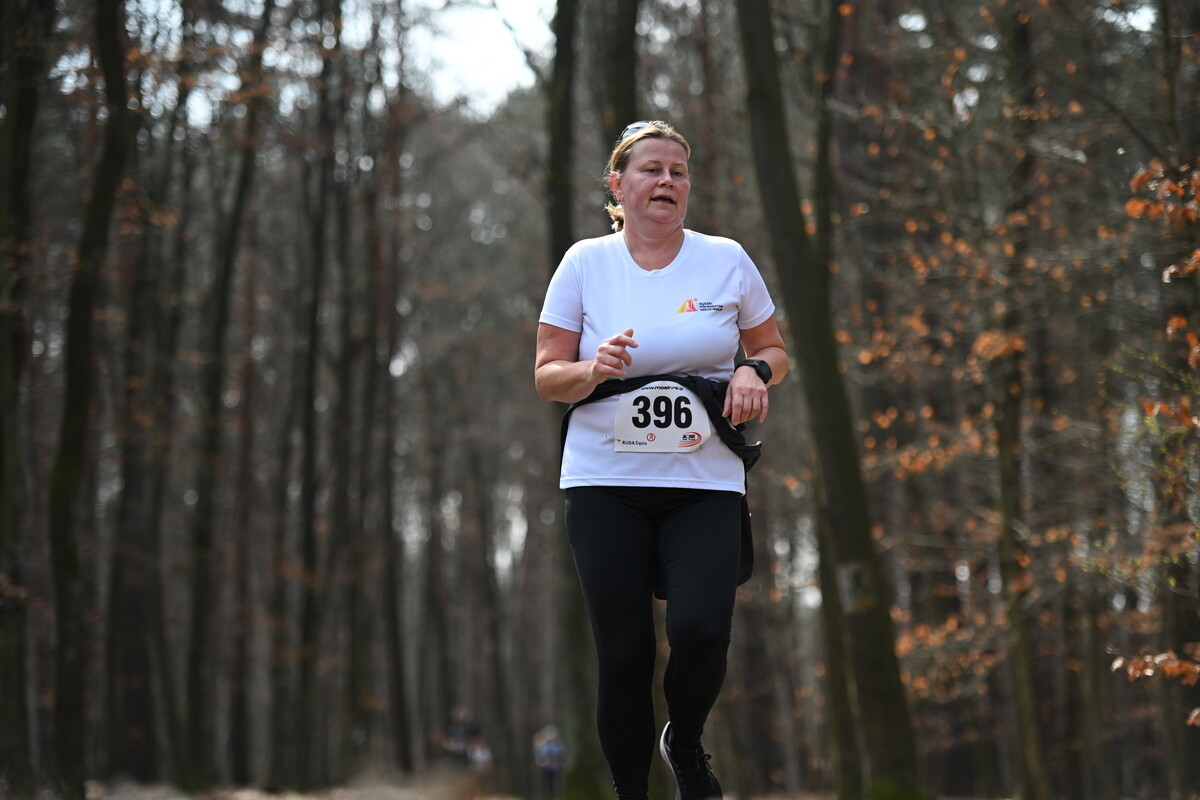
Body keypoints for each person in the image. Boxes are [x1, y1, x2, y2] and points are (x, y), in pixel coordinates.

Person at [534, 120, 787, 800]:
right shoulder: (585, 263)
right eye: (651, 169)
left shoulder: (725, 260)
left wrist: (754, 373)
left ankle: (685, 738)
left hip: (703, 479)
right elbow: (547, 376)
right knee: (625, 656)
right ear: (618, 185)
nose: (666, 182)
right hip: (605, 481)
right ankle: (630, 792)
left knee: (702, 631)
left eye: (678, 171)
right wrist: (592, 367)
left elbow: (775, 347)